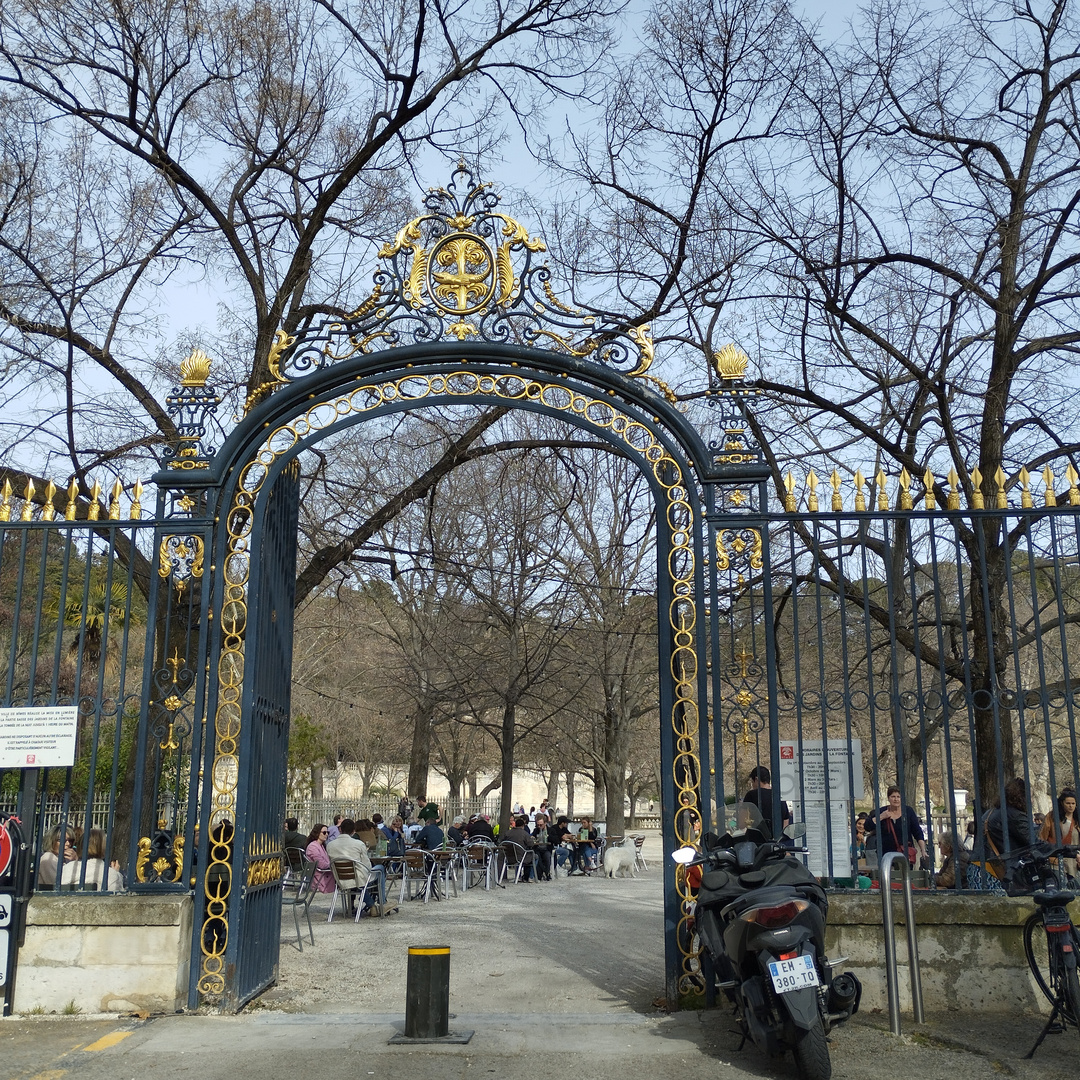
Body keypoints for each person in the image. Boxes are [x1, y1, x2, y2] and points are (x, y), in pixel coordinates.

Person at [968, 777, 1051, 891]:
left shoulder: (990, 812)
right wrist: (1057, 848)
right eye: (1029, 796)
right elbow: (1033, 842)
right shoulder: (1015, 815)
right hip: (994, 872)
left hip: (977, 868)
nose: (1031, 800)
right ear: (1022, 797)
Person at [326, 818, 384, 912]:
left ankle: (369, 903)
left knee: (357, 872)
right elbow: (367, 865)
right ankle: (382, 901)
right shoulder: (358, 844)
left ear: (340, 829)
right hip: (358, 879)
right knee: (380, 869)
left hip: (340, 879)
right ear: (354, 831)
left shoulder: (330, 845)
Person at [865, 785, 928, 868]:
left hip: (905, 854)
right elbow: (867, 826)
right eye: (893, 796)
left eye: (898, 797)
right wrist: (881, 817)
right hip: (886, 855)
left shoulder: (908, 811)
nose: (896, 799)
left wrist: (923, 850)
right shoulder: (882, 811)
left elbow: (917, 832)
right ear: (888, 798)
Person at [1039, 788, 1080, 879]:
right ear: (1062, 803)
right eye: (1068, 803)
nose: (1071, 806)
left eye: (1073, 803)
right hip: (1056, 860)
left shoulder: (1077, 819)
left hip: (1074, 862)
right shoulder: (1052, 817)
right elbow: (1042, 839)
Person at [741, 765, 791, 840]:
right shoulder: (779, 796)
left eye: (752, 782)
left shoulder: (751, 795)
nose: (753, 785)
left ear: (757, 779)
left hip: (757, 841)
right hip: (775, 843)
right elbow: (785, 823)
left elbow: (741, 822)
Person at [303, 823, 335, 893]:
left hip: (326, 874)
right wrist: (333, 864)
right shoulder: (313, 847)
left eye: (328, 832)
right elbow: (322, 865)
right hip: (321, 877)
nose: (326, 834)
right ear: (317, 833)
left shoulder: (321, 846)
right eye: (324, 832)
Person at [504, 815, 536, 881]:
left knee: (519, 853)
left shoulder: (508, 833)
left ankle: (517, 876)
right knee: (535, 856)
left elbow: (503, 842)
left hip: (509, 857)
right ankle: (531, 877)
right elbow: (531, 844)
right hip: (521, 857)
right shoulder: (524, 833)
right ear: (523, 826)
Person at [531, 812, 552, 880]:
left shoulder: (550, 830)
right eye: (538, 825)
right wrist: (532, 838)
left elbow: (556, 840)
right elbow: (532, 837)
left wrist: (549, 837)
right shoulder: (536, 830)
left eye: (541, 825)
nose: (539, 826)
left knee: (547, 857)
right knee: (537, 857)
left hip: (546, 848)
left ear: (545, 823)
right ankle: (546, 873)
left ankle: (546, 873)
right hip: (538, 848)